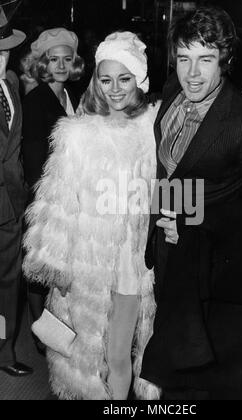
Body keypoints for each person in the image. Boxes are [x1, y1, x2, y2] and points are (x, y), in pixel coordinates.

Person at [140, 6, 242, 400]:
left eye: (205, 60)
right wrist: (164, 221)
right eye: (184, 58)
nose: (192, 73)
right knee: (173, 368)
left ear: (225, 59)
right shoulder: (173, 92)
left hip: (213, 269)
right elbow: (172, 171)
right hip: (170, 256)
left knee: (203, 379)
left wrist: (191, 221)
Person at [23, 31, 160, 400]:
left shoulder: (153, 130)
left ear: (140, 80)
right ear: (96, 81)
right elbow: (56, 202)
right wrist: (55, 263)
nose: (115, 89)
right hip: (86, 267)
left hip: (133, 266)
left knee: (119, 354)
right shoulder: (77, 135)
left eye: (125, 78)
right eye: (106, 79)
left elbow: (166, 193)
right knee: (84, 359)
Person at [21, 28, 84, 338]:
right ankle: (41, 335)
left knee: (56, 269)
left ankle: (52, 332)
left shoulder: (71, 95)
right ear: (42, 64)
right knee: (40, 269)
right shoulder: (37, 100)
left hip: (68, 195)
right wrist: (42, 204)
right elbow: (33, 161)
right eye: (53, 59)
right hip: (45, 197)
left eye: (66, 59)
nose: (60, 65)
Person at [0, 3, 33, 377]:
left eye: (5, 50)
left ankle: (4, 351)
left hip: (11, 204)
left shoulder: (10, 83)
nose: (2, 58)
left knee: (8, 286)